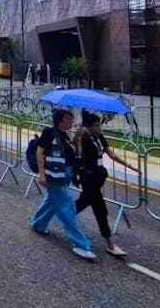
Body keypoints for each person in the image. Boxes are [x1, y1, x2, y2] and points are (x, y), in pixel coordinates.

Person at [30, 109, 97, 261]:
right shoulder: (49, 132)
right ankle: (81, 244)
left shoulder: (65, 135)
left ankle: (38, 224)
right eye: (69, 119)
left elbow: (73, 153)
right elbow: (40, 151)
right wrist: (41, 173)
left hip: (64, 175)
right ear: (60, 120)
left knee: (51, 202)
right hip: (54, 175)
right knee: (67, 207)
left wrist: (78, 139)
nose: (72, 122)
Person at [74, 111, 140, 257]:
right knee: (100, 209)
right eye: (96, 126)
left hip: (98, 177)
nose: (99, 128)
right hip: (88, 177)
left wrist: (130, 166)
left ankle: (65, 215)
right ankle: (110, 244)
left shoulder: (99, 137)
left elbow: (111, 154)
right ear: (88, 126)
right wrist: (78, 140)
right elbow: (77, 156)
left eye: (99, 125)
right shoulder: (82, 137)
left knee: (81, 204)